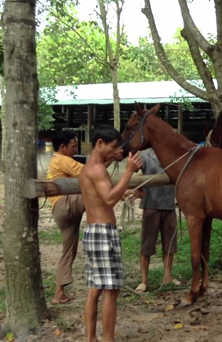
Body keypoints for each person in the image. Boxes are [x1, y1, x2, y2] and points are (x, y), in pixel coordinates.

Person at [79, 125, 142, 342]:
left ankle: (91, 338)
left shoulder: (89, 167)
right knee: (111, 290)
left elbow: (103, 188)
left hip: (92, 232)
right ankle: (108, 339)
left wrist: (114, 158)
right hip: (104, 234)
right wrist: (128, 171)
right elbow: (108, 198)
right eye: (112, 147)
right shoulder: (97, 170)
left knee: (95, 288)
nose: (116, 151)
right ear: (99, 143)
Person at [131, 148, 179, 293]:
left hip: (169, 206)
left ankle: (168, 277)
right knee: (147, 245)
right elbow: (133, 168)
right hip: (151, 207)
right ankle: (144, 280)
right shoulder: (145, 157)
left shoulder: (174, 157)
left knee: (170, 244)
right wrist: (135, 187)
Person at [47, 130, 85, 304]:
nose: (75, 149)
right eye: (73, 146)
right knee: (96, 193)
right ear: (62, 147)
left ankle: (59, 293)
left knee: (68, 251)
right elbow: (89, 173)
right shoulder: (63, 160)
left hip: (60, 209)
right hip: (65, 204)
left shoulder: (59, 160)